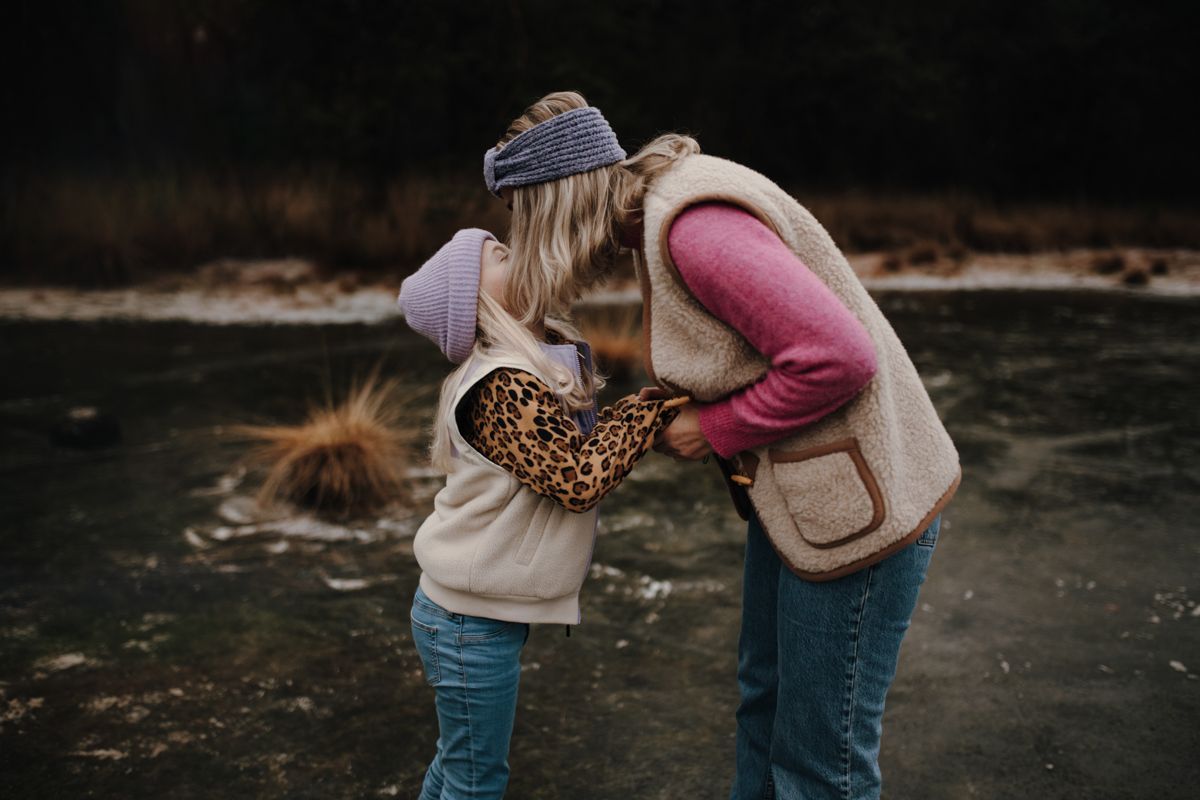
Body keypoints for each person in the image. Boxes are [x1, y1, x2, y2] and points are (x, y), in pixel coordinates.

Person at [484, 92, 962, 800]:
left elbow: (838, 359)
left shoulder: (693, 229)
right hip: (808, 501)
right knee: (763, 706)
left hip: (863, 512)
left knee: (821, 766)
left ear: (558, 206)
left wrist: (713, 428)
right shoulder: (662, 214)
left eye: (528, 222)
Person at [396, 227, 684, 800]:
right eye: (500, 255)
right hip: (465, 622)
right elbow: (577, 480)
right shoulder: (501, 383)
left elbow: (565, 455)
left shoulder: (527, 361)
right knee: (475, 782)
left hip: (470, 615)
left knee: (458, 770)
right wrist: (643, 416)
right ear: (475, 300)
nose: (517, 251)